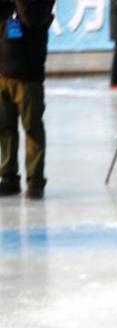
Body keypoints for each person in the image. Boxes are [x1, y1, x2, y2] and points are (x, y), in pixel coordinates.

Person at [0, 0, 54, 201]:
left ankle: (35, 181)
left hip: (28, 73)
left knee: (32, 128)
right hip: (3, 70)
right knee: (5, 128)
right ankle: (8, 177)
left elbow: (33, 19)